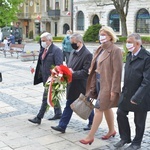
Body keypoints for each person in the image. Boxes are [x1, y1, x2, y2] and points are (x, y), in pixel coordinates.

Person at [79, 26, 123, 145]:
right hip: (97, 83)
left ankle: (90, 136)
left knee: (98, 109)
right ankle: (111, 130)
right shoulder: (99, 49)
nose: (101, 36)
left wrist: (114, 90)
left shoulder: (115, 50)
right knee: (106, 108)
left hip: (107, 85)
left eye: (104, 34)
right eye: (100, 34)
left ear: (110, 36)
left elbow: (117, 72)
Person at [51, 33, 94, 133]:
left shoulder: (87, 54)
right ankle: (63, 126)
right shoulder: (73, 51)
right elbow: (70, 65)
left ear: (79, 42)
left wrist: (72, 73)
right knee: (74, 104)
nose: (71, 45)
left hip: (81, 85)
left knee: (84, 104)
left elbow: (85, 72)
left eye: (73, 43)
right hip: (72, 84)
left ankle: (91, 122)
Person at [114, 33, 150, 150]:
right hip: (127, 92)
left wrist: (137, 97)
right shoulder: (129, 55)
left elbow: (147, 81)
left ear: (138, 44)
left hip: (141, 95)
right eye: (127, 42)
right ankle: (125, 138)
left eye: (130, 42)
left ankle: (136, 143)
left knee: (139, 121)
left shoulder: (147, 58)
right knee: (120, 113)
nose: (127, 44)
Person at [28, 32, 63, 125]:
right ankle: (58, 112)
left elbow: (59, 65)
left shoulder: (56, 50)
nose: (42, 42)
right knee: (52, 96)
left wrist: (55, 78)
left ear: (50, 40)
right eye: (41, 40)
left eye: (44, 40)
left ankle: (39, 117)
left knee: (45, 98)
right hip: (45, 77)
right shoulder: (44, 49)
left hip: (52, 79)